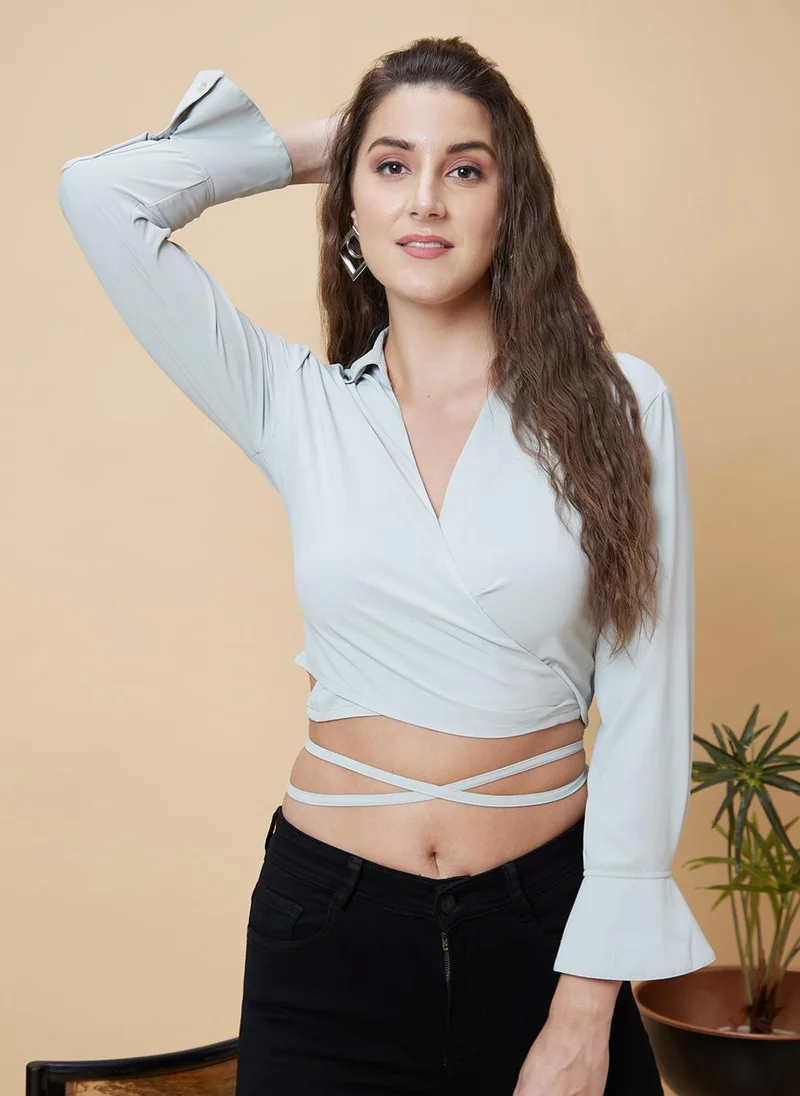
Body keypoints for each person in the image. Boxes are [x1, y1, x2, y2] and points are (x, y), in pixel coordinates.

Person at [58, 34, 715, 1096]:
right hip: (327, 932)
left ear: (512, 205)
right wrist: (318, 146)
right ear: (350, 203)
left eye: (466, 169)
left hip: (549, 931)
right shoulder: (295, 405)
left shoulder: (618, 405)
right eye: (392, 165)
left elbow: (645, 708)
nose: (425, 200)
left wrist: (585, 1006)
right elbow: (98, 196)